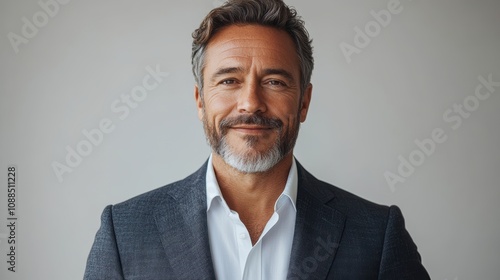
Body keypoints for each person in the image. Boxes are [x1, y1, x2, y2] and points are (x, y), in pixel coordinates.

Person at [84, 0, 430, 279]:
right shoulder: (125, 234)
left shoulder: (377, 235)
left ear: (304, 102)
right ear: (200, 101)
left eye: (275, 82)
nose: (251, 102)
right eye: (229, 80)